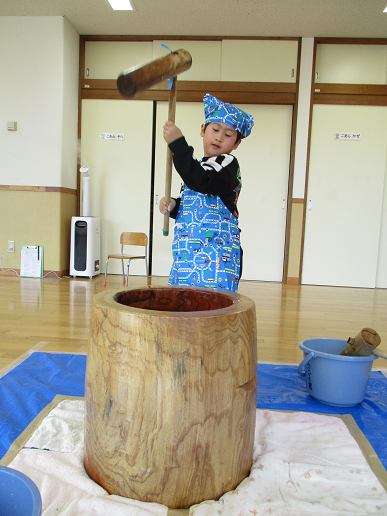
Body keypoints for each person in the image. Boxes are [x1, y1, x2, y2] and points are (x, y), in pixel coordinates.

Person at [159, 93, 254, 292]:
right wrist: (174, 206)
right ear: (203, 130)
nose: (219, 137)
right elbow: (193, 201)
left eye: (228, 135)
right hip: (187, 257)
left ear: (236, 144)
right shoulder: (199, 167)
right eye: (215, 129)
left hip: (215, 257)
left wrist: (178, 145)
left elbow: (202, 181)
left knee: (212, 308)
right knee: (184, 305)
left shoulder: (226, 164)